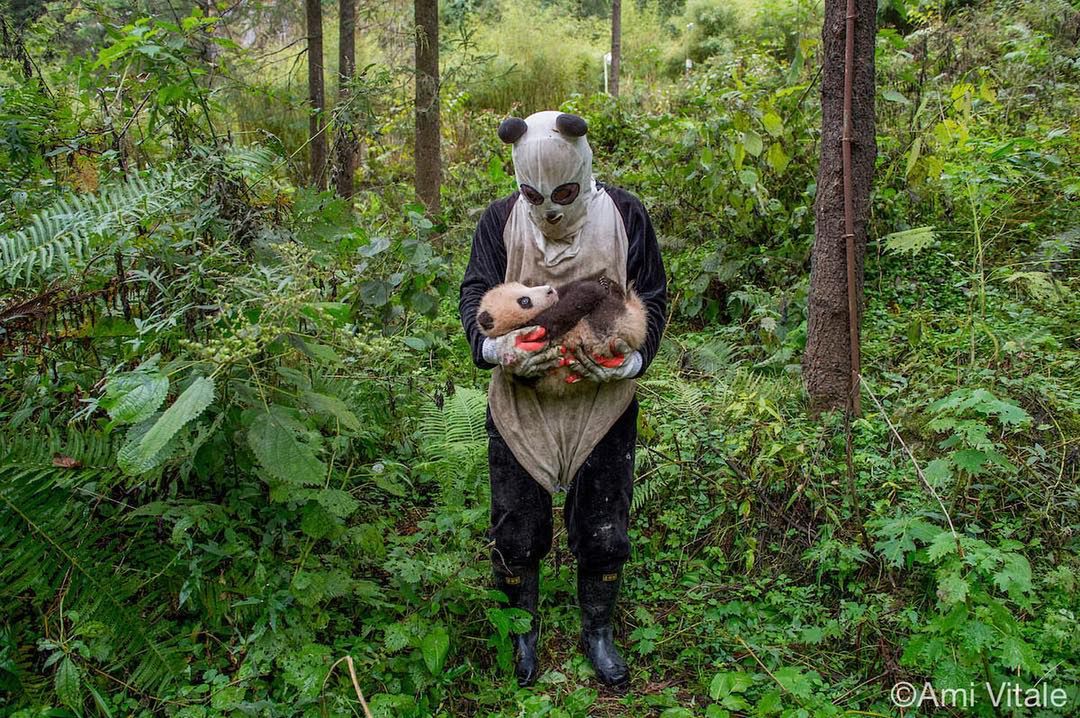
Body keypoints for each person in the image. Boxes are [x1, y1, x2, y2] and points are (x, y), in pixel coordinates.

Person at [458, 111, 667, 689]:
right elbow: (475, 294)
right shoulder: (499, 221)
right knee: (515, 527)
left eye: (564, 193)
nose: (548, 209)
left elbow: (651, 293)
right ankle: (522, 630)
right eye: (534, 195)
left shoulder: (625, 215)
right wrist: (496, 351)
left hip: (603, 406)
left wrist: (633, 360)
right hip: (521, 403)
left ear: (584, 168)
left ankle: (597, 629)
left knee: (604, 526)